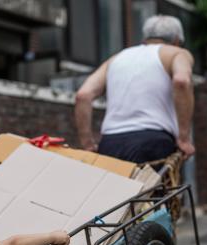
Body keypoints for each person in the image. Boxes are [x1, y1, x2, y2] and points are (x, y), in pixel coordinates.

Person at [75, 15, 196, 163]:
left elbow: (83, 95)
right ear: (177, 41)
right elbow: (182, 81)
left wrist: (87, 144)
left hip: (110, 144)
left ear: (144, 40)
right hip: (152, 141)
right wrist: (184, 138)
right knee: (152, 187)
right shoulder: (177, 53)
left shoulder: (116, 58)